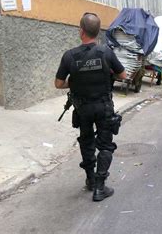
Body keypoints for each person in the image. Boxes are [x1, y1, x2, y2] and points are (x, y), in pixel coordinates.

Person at [54, 13, 126, 202]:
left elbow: (59, 83)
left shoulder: (70, 56)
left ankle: (91, 180)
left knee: (86, 142)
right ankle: (100, 188)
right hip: (103, 107)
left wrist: (75, 81)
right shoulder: (106, 53)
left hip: (82, 108)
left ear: (81, 31)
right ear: (97, 32)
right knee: (105, 144)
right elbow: (123, 75)